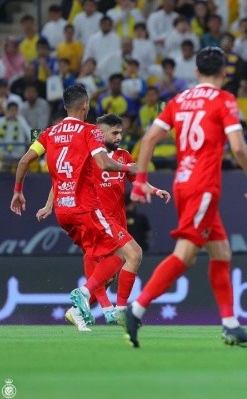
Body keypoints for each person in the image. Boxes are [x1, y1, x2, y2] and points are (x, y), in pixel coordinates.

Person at [124, 47, 247, 349]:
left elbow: (147, 139)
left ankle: (230, 325)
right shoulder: (224, 100)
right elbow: (238, 147)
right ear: (224, 72)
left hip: (182, 183)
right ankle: (137, 309)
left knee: (221, 252)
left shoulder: (179, 100)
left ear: (197, 72)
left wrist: (141, 182)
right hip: (203, 187)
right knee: (185, 255)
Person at [10, 84, 142, 328]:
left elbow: (24, 160)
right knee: (126, 254)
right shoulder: (89, 131)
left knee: (100, 258)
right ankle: (86, 294)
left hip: (63, 212)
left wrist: (18, 192)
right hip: (86, 208)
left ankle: (96, 308)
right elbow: (103, 163)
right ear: (86, 105)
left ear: (64, 106)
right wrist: (128, 168)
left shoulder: (49, 133)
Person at [36, 113, 170, 331]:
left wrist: (155, 190)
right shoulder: (90, 155)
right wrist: (49, 205)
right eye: (114, 132)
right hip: (97, 219)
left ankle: (78, 310)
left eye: (121, 132)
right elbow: (61, 180)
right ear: (100, 133)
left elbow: (137, 179)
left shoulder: (124, 156)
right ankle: (118, 311)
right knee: (133, 255)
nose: (119, 137)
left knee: (107, 277)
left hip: (117, 221)